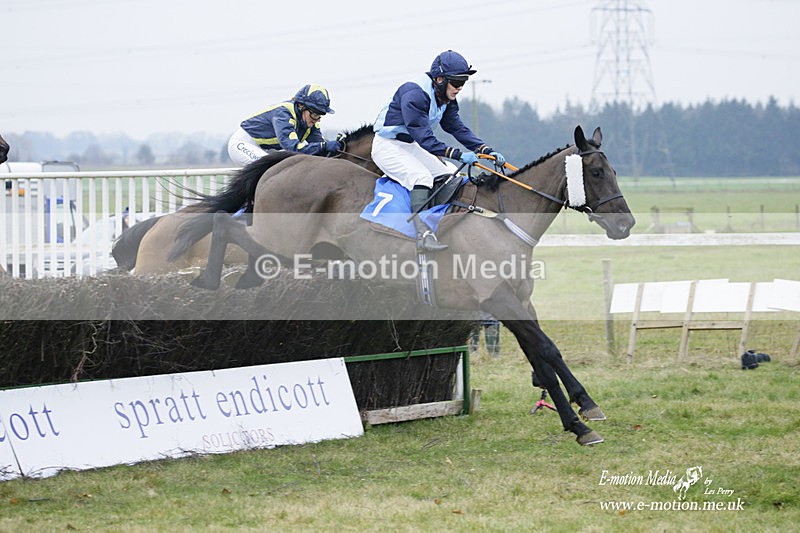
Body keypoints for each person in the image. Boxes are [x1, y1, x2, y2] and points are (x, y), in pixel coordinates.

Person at [372, 50, 506, 251]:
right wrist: (459, 154)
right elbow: (425, 138)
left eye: (463, 82)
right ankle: (422, 235)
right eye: (457, 82)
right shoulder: (415, 94)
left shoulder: (445, 96)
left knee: (448, 175)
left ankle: (441, 224)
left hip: (410, 145)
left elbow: (456, 127)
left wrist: (485, 149)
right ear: (440, 79)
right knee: (421, 177)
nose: (460, 88)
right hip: (388, 146)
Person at [227, 84, 342, 166]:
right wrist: (323, 146)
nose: (317, 120)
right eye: (315, 114)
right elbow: (293, 148)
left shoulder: (310, 122)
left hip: (266, 150)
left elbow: (319, 148)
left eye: (320, 116)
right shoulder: (283, 114)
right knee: (269, 169)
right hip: (243, 144)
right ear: (301, 107)